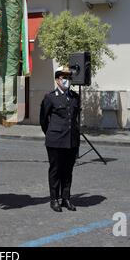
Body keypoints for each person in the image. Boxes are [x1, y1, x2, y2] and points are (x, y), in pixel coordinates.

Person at [40, 66, 81, 212]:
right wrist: (51, 133)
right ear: (57, 80)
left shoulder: (75, 97)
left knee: (68, 171)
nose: (67, 80)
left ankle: (66, 198)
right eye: (64, 77)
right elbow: (43, 120)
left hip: (71, 140)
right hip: (55, 140)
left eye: (69, 78)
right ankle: (54, 199)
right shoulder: (50, 97)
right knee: (55, 170)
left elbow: (74, 118)